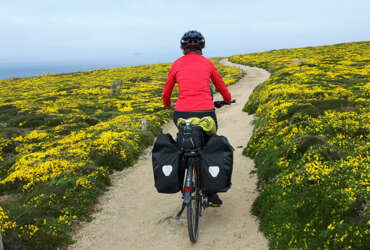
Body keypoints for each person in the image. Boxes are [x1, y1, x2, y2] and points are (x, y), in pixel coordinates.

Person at [162, 30, 232, 206]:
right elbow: (220, 85)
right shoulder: (208, 64)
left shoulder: (176, 64)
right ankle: (212, 193)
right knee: (208, 148)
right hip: (205, 114)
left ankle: (185, 177)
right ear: (202, 46)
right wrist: (227, 99)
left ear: (183, 47)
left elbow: (167, 91)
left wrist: (167, 104)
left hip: (182, 114)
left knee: (185, 144)